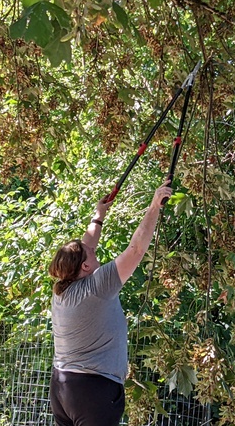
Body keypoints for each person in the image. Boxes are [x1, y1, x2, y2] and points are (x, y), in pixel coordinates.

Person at [47, 181, 173, 426]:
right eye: (91, 254)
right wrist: (153, 207)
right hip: (93, 391)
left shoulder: (62, 288)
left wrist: (99, 216)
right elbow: (136, 250)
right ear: (84, 266)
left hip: (62, 389)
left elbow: (86, 245)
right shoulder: (97, 286)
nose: (95, 251)